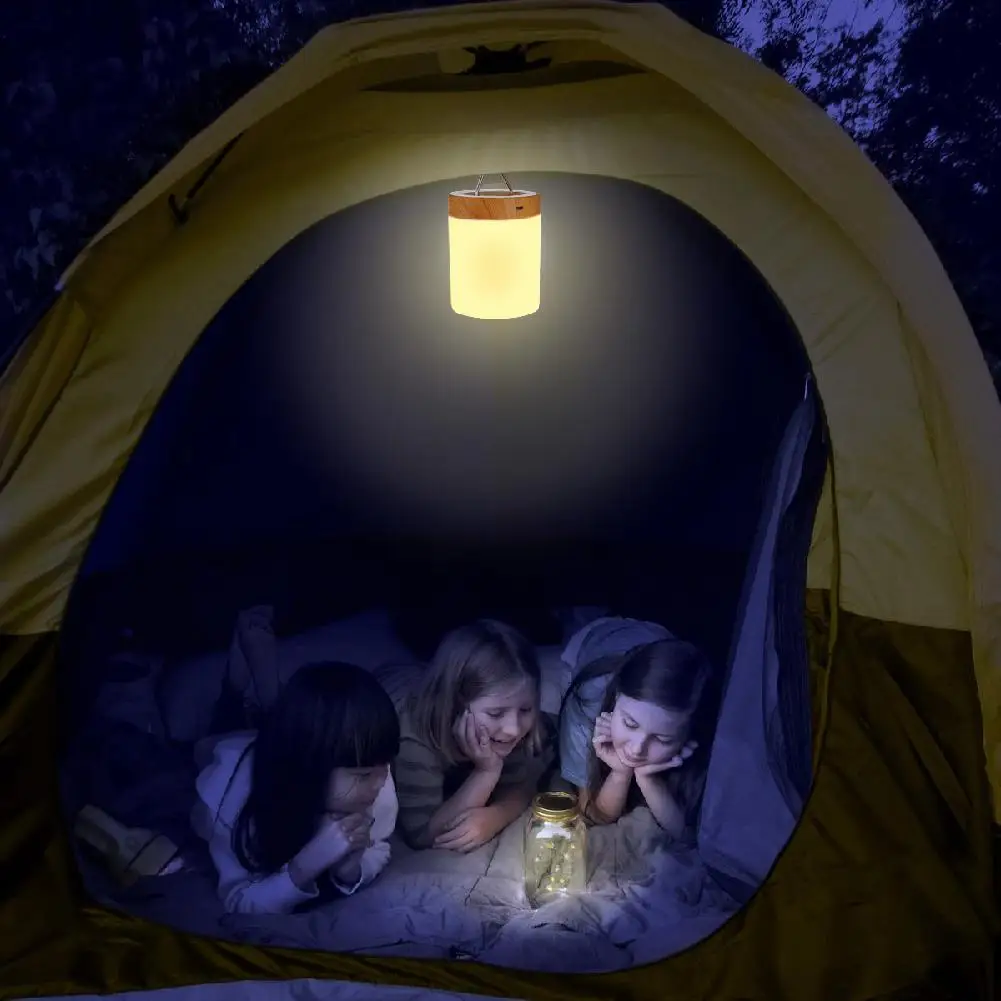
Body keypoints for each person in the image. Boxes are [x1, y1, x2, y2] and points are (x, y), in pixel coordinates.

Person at [191, 661, 401, 914]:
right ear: (311, 768)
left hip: (284, 743)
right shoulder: (231, 796)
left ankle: (260, 695)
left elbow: (379, 845)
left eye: (385, 766)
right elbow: (238, 900)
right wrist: (303, 867)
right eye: (364, 775)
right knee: (205, 745)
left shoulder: (374, 777)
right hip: (231, 756)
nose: (381, 783)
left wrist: (351, 871)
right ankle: (237, 688)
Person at [394, 619, 555, 853]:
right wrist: (486, 772)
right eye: (495, 713)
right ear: (456, 706)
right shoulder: (414, 732)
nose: (513, 728)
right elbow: (422, 834)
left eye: (526, 709)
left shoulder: (508, 728)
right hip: (397, 680)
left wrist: (497, 815)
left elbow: (521, 787)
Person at [558, 619, 715, 841]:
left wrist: (647, 779)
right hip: (596, 635)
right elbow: (595, 815)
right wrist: (620, 773)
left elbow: (687, 836)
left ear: (687, 739)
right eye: (630, 724)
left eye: (662, 739)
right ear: (615, 699)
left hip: (663, 640)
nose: (637, 748)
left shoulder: (702, 727)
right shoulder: (586, 706)